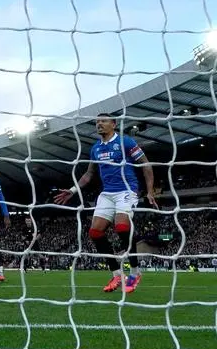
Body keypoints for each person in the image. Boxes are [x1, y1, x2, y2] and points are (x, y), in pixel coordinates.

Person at [53, 112, 157, 293]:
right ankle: (117, 274)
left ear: (113, 124)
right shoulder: (96, 149)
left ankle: (135, 271)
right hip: (107, 193)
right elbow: (89, 174)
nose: (99, 124)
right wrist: (72, 190)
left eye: (103, 121)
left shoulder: (126, 142)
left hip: (126, 190)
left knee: (122, 227)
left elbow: (146, 165)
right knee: (95, 232)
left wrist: (149, 192)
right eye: (97, 122)